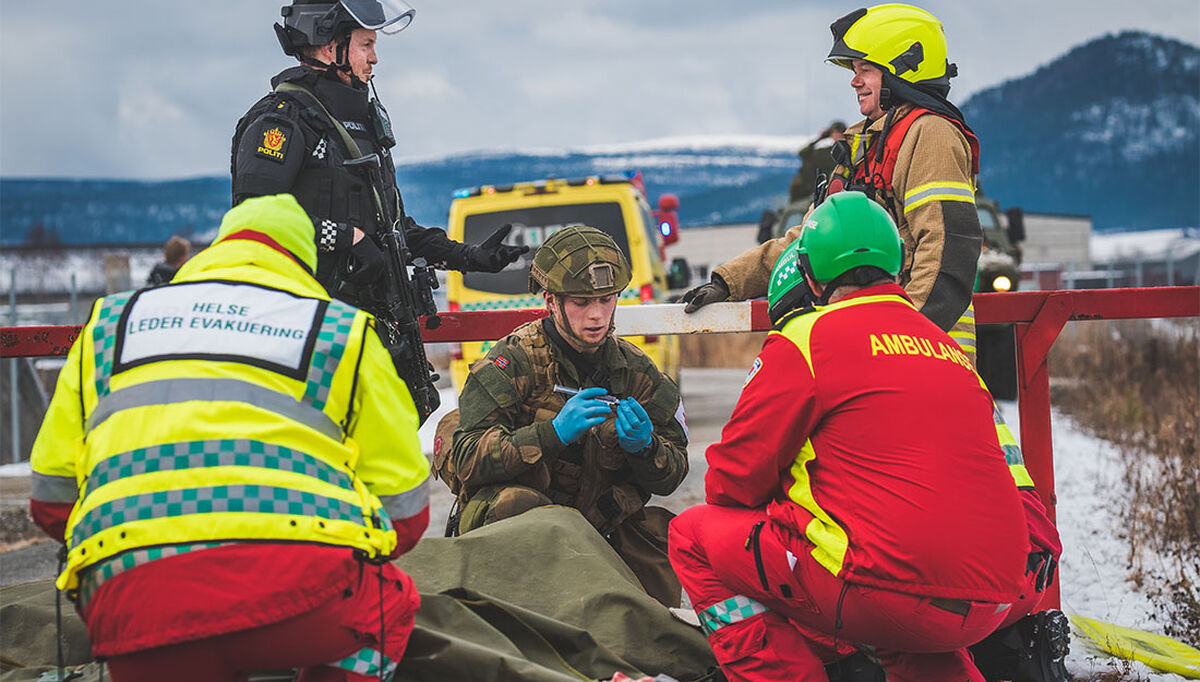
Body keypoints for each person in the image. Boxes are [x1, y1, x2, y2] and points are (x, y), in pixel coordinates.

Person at [28, 194, 430, 682]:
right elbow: (405, 514)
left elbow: (51, 500)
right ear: (305, 262)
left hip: (135, 601)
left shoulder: (109, 326)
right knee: (391, 605)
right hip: (302, 592)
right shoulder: (338, 331)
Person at [669, 192, 1031, 681]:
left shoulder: (806, 340)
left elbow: (731, 482)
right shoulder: (947, 349)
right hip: (999, 596)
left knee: (692, 535)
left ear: (811, 276)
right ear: (897, 267)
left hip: (887, 595)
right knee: (901, 592)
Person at [683, 3, 981, 362]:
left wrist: (904, 344)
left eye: (865, 70)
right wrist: (729, 282)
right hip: (875, 350)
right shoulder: (862, 146)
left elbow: (947, 251)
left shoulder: (931, 135)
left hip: (928, 360)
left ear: (904, 68)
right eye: (855, 71)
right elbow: (811, 238)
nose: (854, 81)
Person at [433, 226, 690, 607]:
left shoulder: (636, 372)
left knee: (659, 533)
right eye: (581, 302)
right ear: (551, 302)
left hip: (598, 522)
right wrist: (551, 434)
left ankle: (642, 644)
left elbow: (674, 472)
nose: (597, 315)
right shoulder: (512, 362)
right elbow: (468, 456)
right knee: (516, 506)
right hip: (520, 523)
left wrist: (646, 447)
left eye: (606, 299)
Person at [232, 0, 527, 311]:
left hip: (369, 317)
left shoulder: (361, 126)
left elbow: (391, 229)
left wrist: (468, 256)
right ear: (332, 49)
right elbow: (254, 218)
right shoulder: (282, 120)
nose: (375, 57)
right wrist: (348, 238)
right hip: (301, 317)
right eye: (367, 44)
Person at [787, 121, 846, 204]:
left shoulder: (848, 151)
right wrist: (820, 138)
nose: (837, 135)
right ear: (830, 134)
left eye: (840, 133)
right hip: (815, 190)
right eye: (835, 133)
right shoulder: (824, 152)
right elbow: (803, 153)